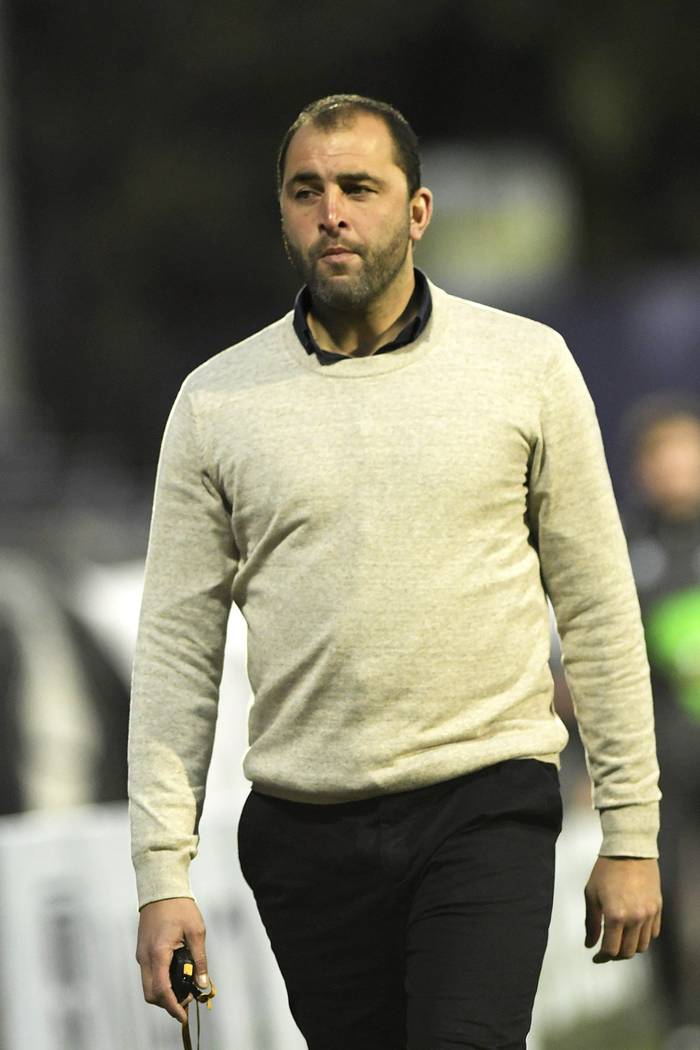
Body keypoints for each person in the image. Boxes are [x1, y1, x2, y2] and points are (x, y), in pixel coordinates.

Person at [129, 94, 662, 1050]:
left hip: (483, 800)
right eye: (307, 190)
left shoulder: (527, 366)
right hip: (304, 831)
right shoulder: (215, 404)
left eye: (358, 187)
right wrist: (162, 875)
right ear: (284, 212)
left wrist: (629, 832)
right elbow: (176, 649)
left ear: (417, 211)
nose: (331, 211)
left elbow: (598, 608)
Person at [621, 396, 700, 1045]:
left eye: (686, 452)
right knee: (661, 888)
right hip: (661, 756)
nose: (676, 468)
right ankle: (679, 1022)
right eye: (662, 456)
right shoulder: (625, 548)